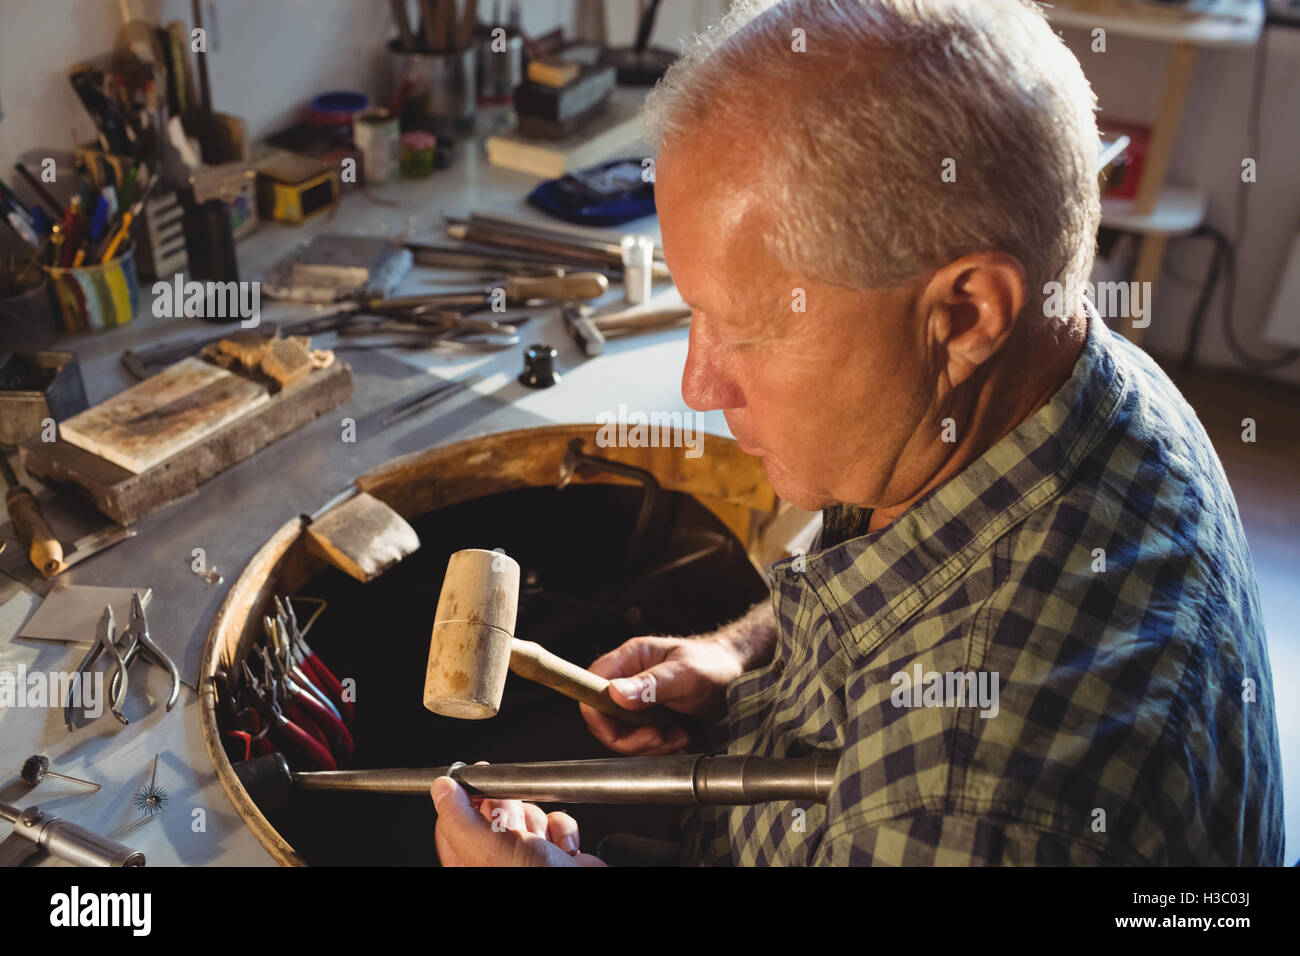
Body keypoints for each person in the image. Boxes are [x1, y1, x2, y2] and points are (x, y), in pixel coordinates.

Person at [430, 0, 1285, 866]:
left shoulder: (969, 814)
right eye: (694, 311)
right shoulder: (1065, 385)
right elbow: (902, 578)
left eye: (747, 331)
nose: (698, 385)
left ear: (966, 312)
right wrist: (744, 656)